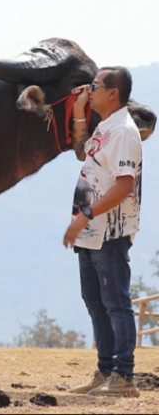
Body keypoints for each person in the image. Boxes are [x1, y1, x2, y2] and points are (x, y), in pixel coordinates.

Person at [63, 67, 142, 398]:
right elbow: (83, 153)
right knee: (95, 302)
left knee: (116, 302)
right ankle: (105, 370)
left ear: (114, 92)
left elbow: (125, 185)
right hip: (90, 231)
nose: (88, 90)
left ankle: (124, 377)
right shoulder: (106, 128)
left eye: (94, 87)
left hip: (109, 231)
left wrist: (85, 215)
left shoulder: (123, 132)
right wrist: (80, 112)